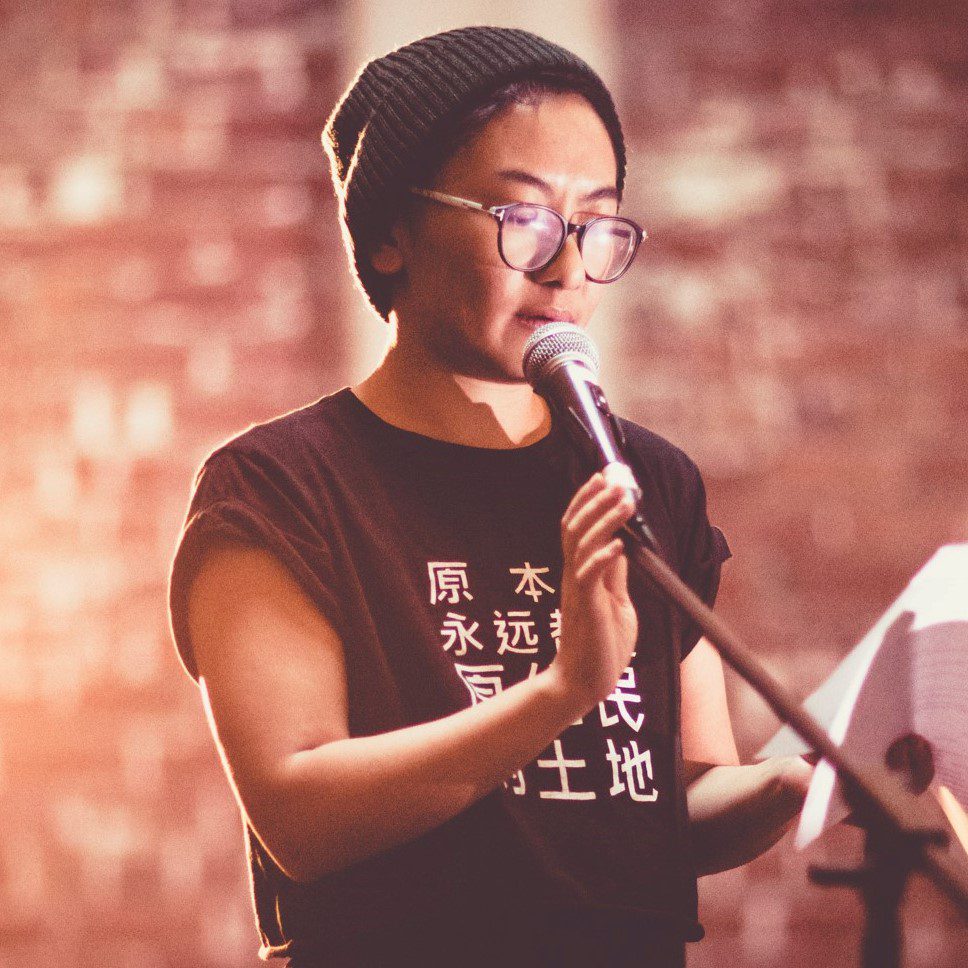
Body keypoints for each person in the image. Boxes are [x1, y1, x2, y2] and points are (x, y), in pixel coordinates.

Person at [168, 26, 813, 968]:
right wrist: (560, 694)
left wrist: (813, 781)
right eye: (524, 220)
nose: (567, 267)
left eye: (596, 224)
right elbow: (299, 815)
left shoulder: (646, 479)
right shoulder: (278, 488)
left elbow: (682, 796)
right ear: (392, 234)